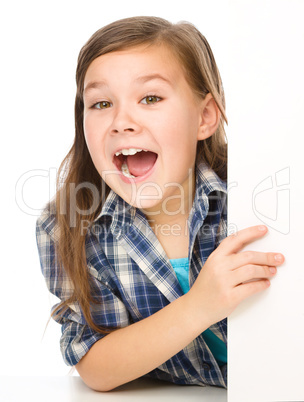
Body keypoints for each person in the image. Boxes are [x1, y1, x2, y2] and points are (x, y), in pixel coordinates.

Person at [36, 16, 284, 392]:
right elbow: (96, 366)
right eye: (101, 103)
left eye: (150, 98)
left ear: (204, 117)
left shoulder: (262, 194)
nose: (122, 121)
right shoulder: (67, 226)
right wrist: (199, 306)